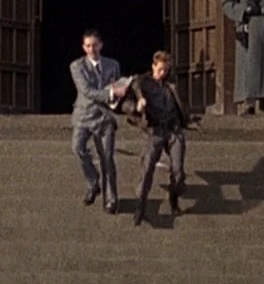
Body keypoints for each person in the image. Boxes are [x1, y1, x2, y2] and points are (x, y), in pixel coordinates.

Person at [129, 51, 191, 225]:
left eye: (166, 70)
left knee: (178, 170)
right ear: (153, 66)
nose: (163, 73)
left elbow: (180, 104)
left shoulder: (171, 84)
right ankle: (140, 205)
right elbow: (133, 87)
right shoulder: (144, 82)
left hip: (173, 130)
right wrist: (139, 102)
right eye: (160, 69)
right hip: (155, 130)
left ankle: (174, 197)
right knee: (147, 168)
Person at [68, 30, 122, 214]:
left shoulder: (113, 65)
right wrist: (110, 94)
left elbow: (117, 86)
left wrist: (118, 96)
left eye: (95, 45)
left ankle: (111, 199)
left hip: (105, 117)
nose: (92, 49)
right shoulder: (77, 66)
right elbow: (86, 90)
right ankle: (93, 182)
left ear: (101, 45)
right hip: (84, 116)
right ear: (84, 47)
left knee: (107, 157)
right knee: (78, 148)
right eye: (88, 46)